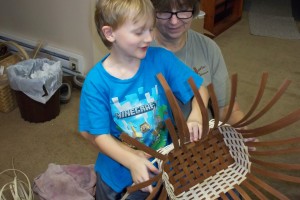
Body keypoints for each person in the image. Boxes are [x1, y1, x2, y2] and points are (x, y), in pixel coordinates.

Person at [79, 0, 209, 199]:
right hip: (117, 176)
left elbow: (199, 87)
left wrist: (197, 116)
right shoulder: (96, 82)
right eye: (139, 32)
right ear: (109, 33)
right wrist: (131, 160)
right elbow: (98, 135)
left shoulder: (161, 59)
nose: (149, 37)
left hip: (164, 164)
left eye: (150, 29)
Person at [150, 0, 246, 126]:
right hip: (158, 140)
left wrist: (244, 131)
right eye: (164, 12)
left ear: (194, 10)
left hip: (202, 134)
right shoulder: (137, 53)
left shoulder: (208, 47)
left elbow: (226, 108)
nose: (174, 21)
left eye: (183, 11)